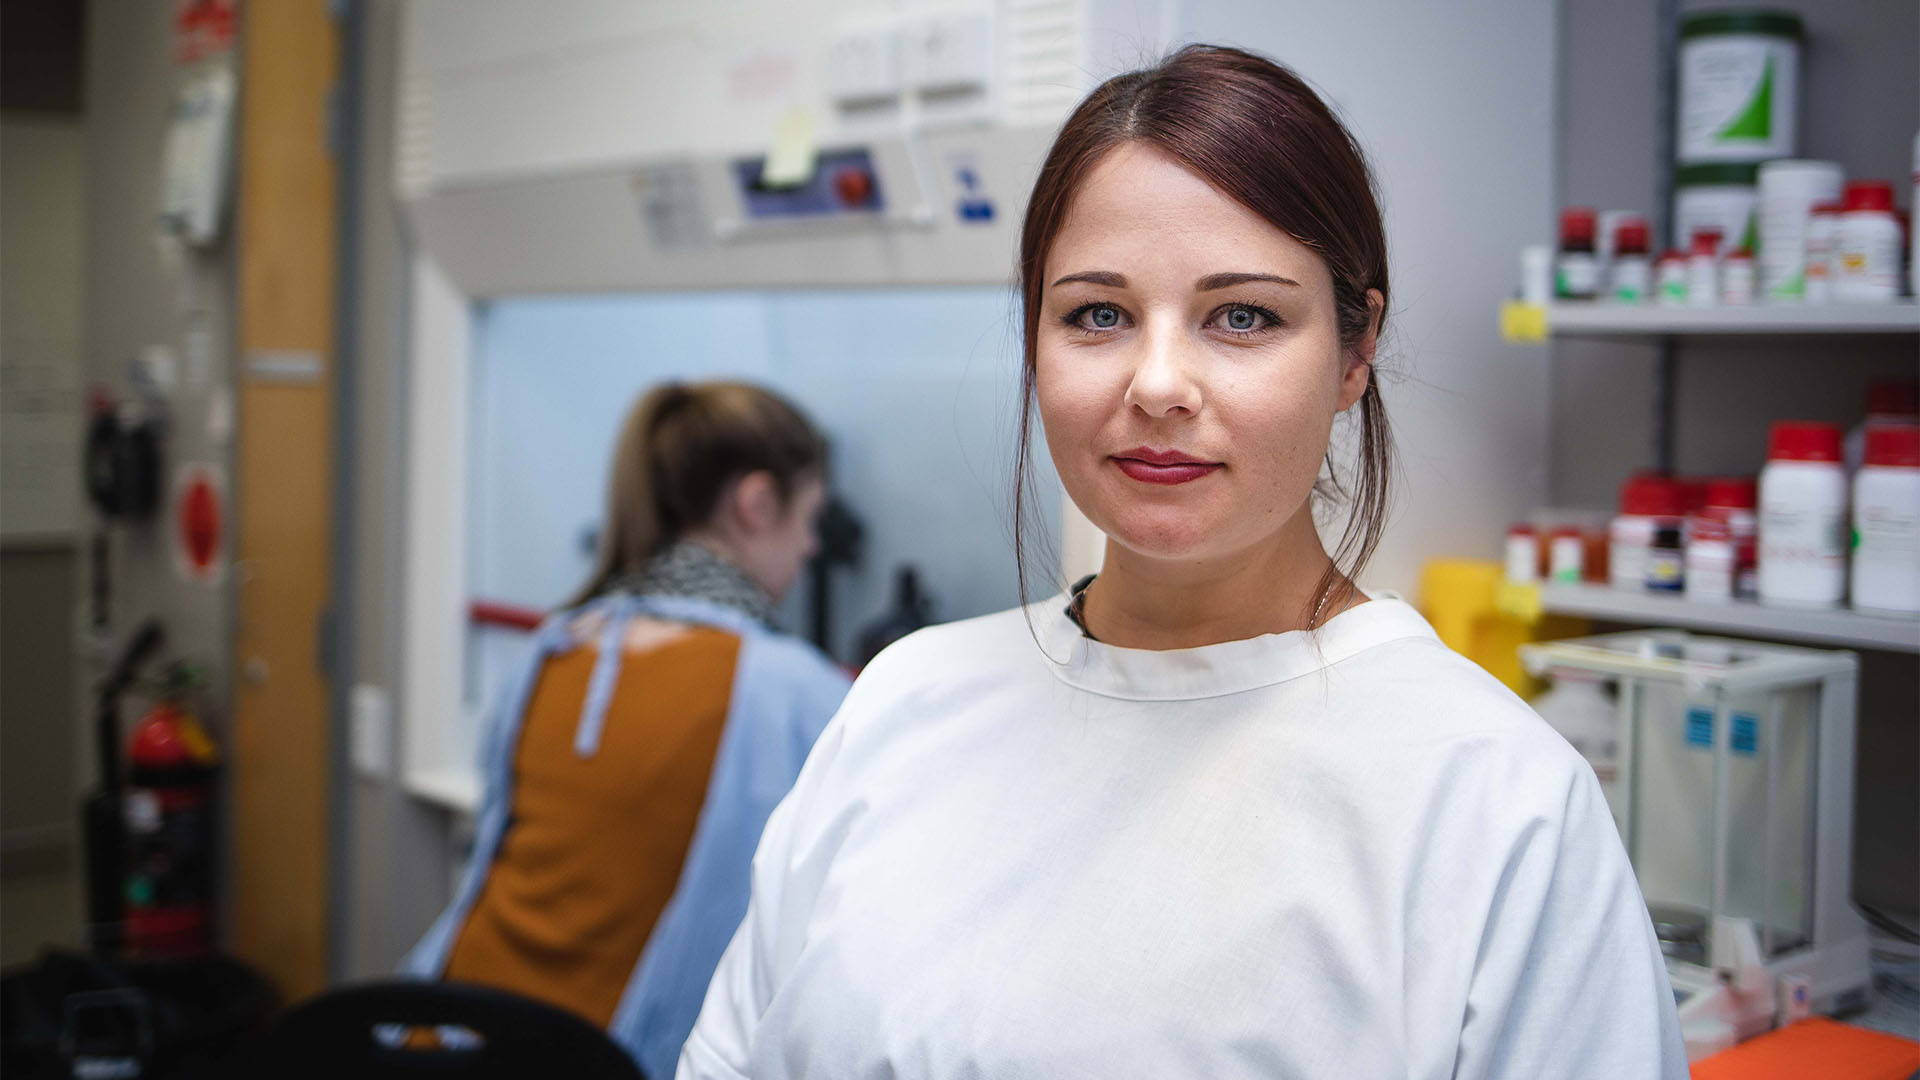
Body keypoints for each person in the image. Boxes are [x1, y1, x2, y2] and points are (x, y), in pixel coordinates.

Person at [678, 46, 1685, 1079]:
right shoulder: (904, 705)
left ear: (1353, 350)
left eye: (1242, 316)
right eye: (1097, 314)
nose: (1158, 384)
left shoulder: (1497, 797)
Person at [402, 381, 851, 1079]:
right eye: (808, 517)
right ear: (757, 503)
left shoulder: (555, 647)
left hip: (442, 1038)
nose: (811, 546)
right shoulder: (795, 690)